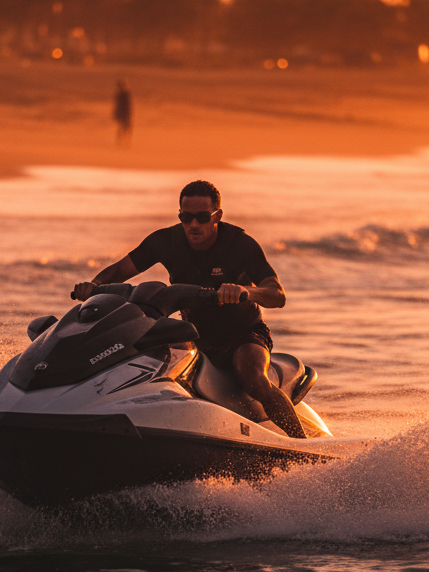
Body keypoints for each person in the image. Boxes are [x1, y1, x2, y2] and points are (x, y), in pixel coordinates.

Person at [73, 180, 306, 438]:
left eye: (202, 217)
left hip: (243, 335)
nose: (193, 224)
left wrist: (245, 291)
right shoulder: (165, 241)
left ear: (217, 216)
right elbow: (120, 270)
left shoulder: (239, 244)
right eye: (186, 217)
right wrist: (94, 286)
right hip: (194, 335)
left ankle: (302, 447)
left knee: (252, 377)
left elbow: (277, 295)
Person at [113, 79, 132, 145]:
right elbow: (117, 105)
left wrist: (115, 113)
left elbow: (127, 105)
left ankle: (125, 141)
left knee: (124, 128)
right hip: (122, 113)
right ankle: (122, 142)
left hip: (124, 113)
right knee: (123, 128)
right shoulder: (122, 94)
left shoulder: (125, 94)